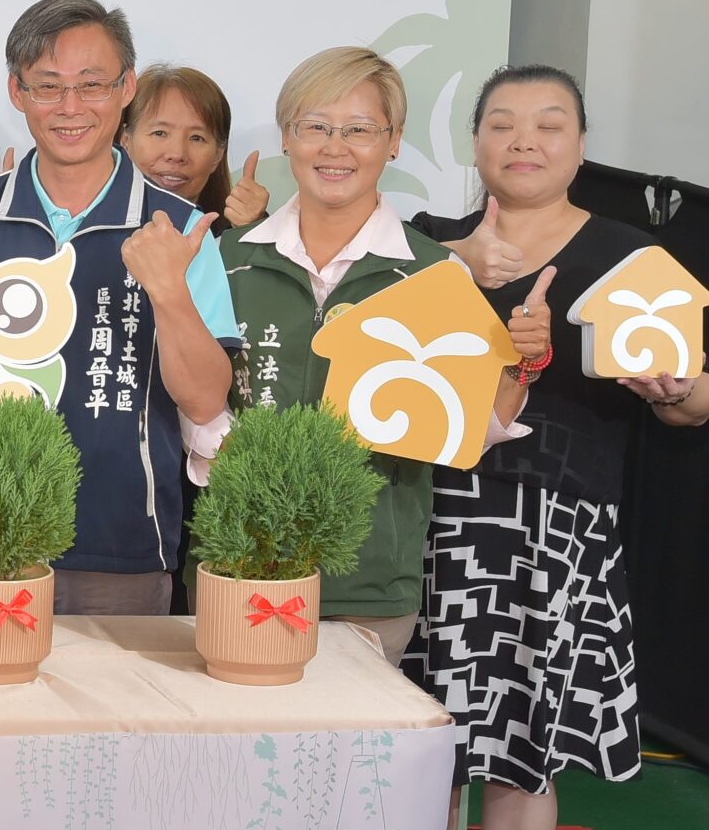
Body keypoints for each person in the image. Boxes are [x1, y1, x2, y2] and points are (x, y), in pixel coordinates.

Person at [410, 66, 706, 830]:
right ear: (475, 142)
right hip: (436, 521)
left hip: (561, 531)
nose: (523, 140)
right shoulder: (426, 246)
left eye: (548, 124)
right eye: (501, 122)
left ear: (579, 146)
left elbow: (696, 399)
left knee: (523, 754)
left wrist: (675, 390)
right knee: (423, 753)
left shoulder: (632, 257)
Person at [213, 46, 536, 657]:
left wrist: (524, 360)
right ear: (287, 136)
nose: (335, 148)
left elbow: (469, 431)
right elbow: (193, 400)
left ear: (393, 142)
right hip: (236, 567)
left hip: (369, 582)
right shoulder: (227, 260)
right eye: (316, 126)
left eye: (360, 129)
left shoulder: (434, 272)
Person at [0, 0, 240, 616]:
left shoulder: (179, 228)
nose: (70, 107)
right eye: (48, 86)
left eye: (92, 84)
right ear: (17, 93)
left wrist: (168, 290)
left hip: (122, 543)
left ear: (126, 88)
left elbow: (207, 402)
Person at [120, 64, 269, 231]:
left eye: (196, 138)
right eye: (160, 133)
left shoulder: (227, 236)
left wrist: (250, 230)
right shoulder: (96, 226)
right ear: (126, 141)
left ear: (218, 155)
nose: (177, 154)